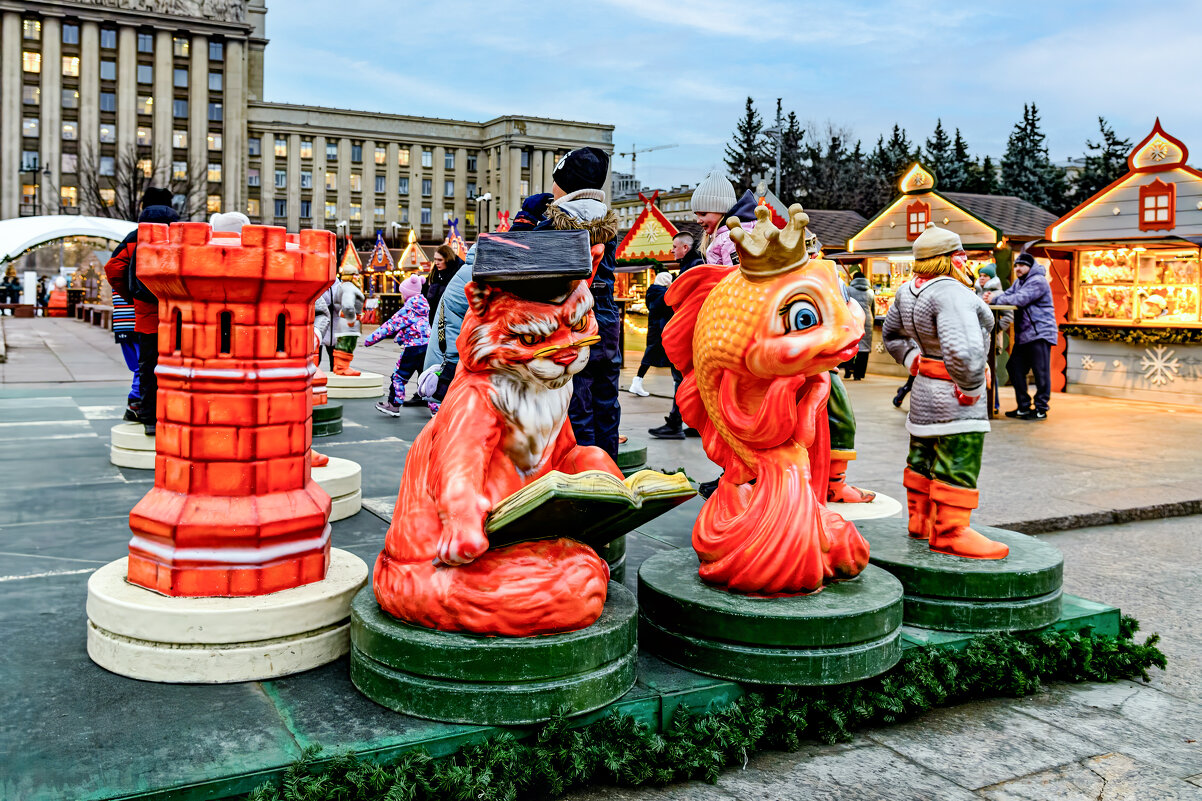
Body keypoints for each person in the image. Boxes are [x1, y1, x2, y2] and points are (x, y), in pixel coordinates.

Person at [883, 223, 1007, 559]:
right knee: (958, 457)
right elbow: (964, 352)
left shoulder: (907, 291)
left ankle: (920, 521)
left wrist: (912, 361)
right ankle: (951, 531)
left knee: (922, 453)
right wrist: (971, 388)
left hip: (924, 390)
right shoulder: (953, 293)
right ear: (953, 258)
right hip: (955, 394)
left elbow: (891, 334)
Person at [510, 146, 622, 461]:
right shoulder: (607, 222)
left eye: (556, 181)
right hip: (607, 322)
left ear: (567, 184)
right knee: (606, 401)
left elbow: (518, 263)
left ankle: (583, 471)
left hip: (573, 325)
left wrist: (524, 223)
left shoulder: (557, 222)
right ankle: (607, 465)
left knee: (577, 402)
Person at [103, 187, 179, 436]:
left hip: (148, 315)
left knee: (149, 366)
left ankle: (148, 418)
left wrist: (133, 296)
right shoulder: (180, 235)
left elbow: (114, 269)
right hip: (180, 315)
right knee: (179, 365)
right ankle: (176, 414)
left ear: (143, 207)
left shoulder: (135, 236)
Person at [984, 252, 1057, 421]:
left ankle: (1041, 408)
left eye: (1021, 265)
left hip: (1040, 333)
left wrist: (995, 298)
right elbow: (1009, 296)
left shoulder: (1038, 281)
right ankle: (1023, 406)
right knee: (1014, 367)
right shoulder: (1019, 282)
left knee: (1041, 372)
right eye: (1016, 265)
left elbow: (1019, 299)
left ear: (1029, 267)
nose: (1017, 268)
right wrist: (998, 298)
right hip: (1025, 335)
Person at [366, 275, 429, 416]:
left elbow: (391, 325)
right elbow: (417, 326)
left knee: (399, 377)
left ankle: (393, 405)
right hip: (426, 346)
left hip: (413, 347)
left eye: (402, 292)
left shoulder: (409, 308)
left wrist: (370, 339)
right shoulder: (423, 305)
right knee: (427, 377)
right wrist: (401, 336)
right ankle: (436, 408)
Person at [629, 271, 673, 399]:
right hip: (661, 328)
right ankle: (637, 381)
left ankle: (638, 381)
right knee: (656, 354)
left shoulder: (651, 292)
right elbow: (669, 310)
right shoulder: (664, 294)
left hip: (653, 327)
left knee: (651, 353)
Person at [688, 171, 737, 259]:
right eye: (697, 215)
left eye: (703, 214)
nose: (698, 220)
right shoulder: (720, 238)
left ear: (723, 209)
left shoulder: (730, 240)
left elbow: (732, 272)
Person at [844, 270, 875, 380]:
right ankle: (859, 374)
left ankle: (848, 370)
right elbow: (873, 309)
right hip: (867, 320)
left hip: (852, 319)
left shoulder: (848, 290)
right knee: (864, 348)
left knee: (850, 344)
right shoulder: (871, 292)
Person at [423, 245, 463, 324]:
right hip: (433, 318)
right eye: (435, 259)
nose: (436, 263)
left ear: (447, 260)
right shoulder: (433, 274)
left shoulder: (457, 274)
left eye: (440, 260)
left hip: (450, 319)